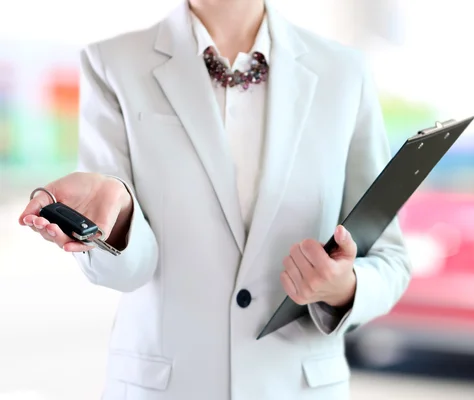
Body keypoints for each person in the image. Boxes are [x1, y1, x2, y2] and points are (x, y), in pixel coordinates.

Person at [18, 0, 411, 398]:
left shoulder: (343, 72)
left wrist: (343, 288)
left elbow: (390, 260)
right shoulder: (112, 64)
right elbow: (126, 271)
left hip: (297, 385)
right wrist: (117, 220)